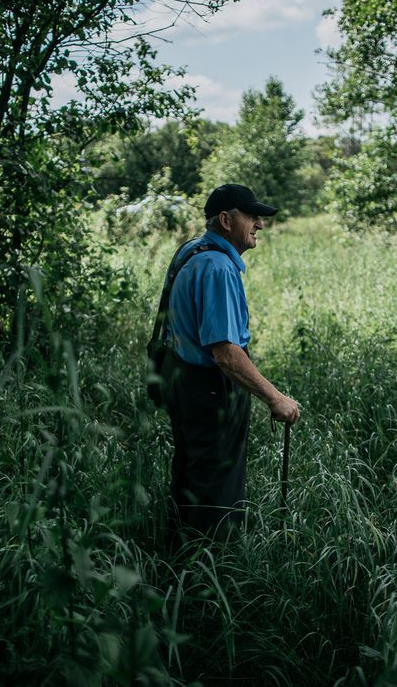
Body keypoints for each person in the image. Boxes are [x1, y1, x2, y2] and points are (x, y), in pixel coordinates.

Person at [159, 183, 300, 544]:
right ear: (225, 220)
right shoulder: (218, 268)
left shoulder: (191, 250)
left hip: (181, 379)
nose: (259, 225)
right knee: (217, 492)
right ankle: (208, 578)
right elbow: (225, 353)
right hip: (209, 389)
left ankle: (177, 559)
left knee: (190, 477)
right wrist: (275, 397)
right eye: (252, 217)